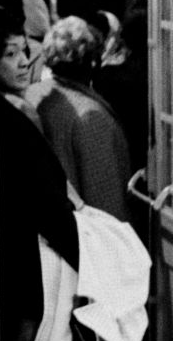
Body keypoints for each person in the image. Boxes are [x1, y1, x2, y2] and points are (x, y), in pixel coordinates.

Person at [0, 0, 84, 341]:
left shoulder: (12, 110)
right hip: (21, 258)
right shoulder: (14, 118)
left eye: (23, 52)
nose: (22, 62)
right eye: (9, 54)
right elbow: (45, 196)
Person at [36, 16, 133, 223]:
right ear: (93, 60)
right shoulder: (90, 115)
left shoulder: (35, 95)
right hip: (86, 229)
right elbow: (106, 200)